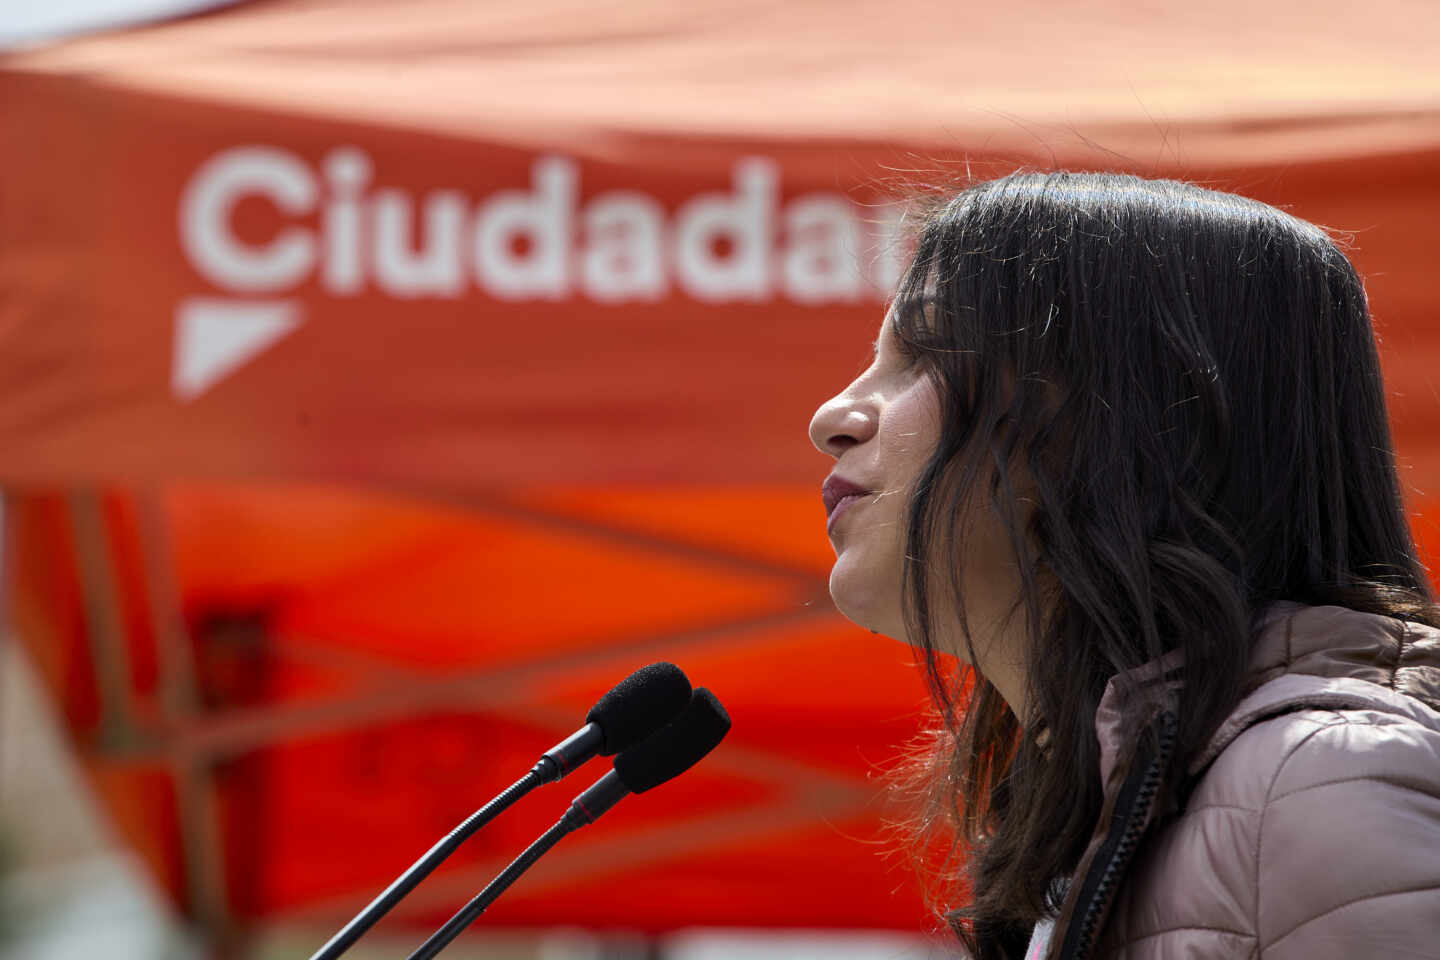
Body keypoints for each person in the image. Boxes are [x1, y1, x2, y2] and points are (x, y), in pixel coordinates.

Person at [808, 172, 1440, 960]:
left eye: (925, 351)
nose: (832, 417)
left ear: (1130, 412)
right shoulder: (1144, 813)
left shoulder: (1318, 788)